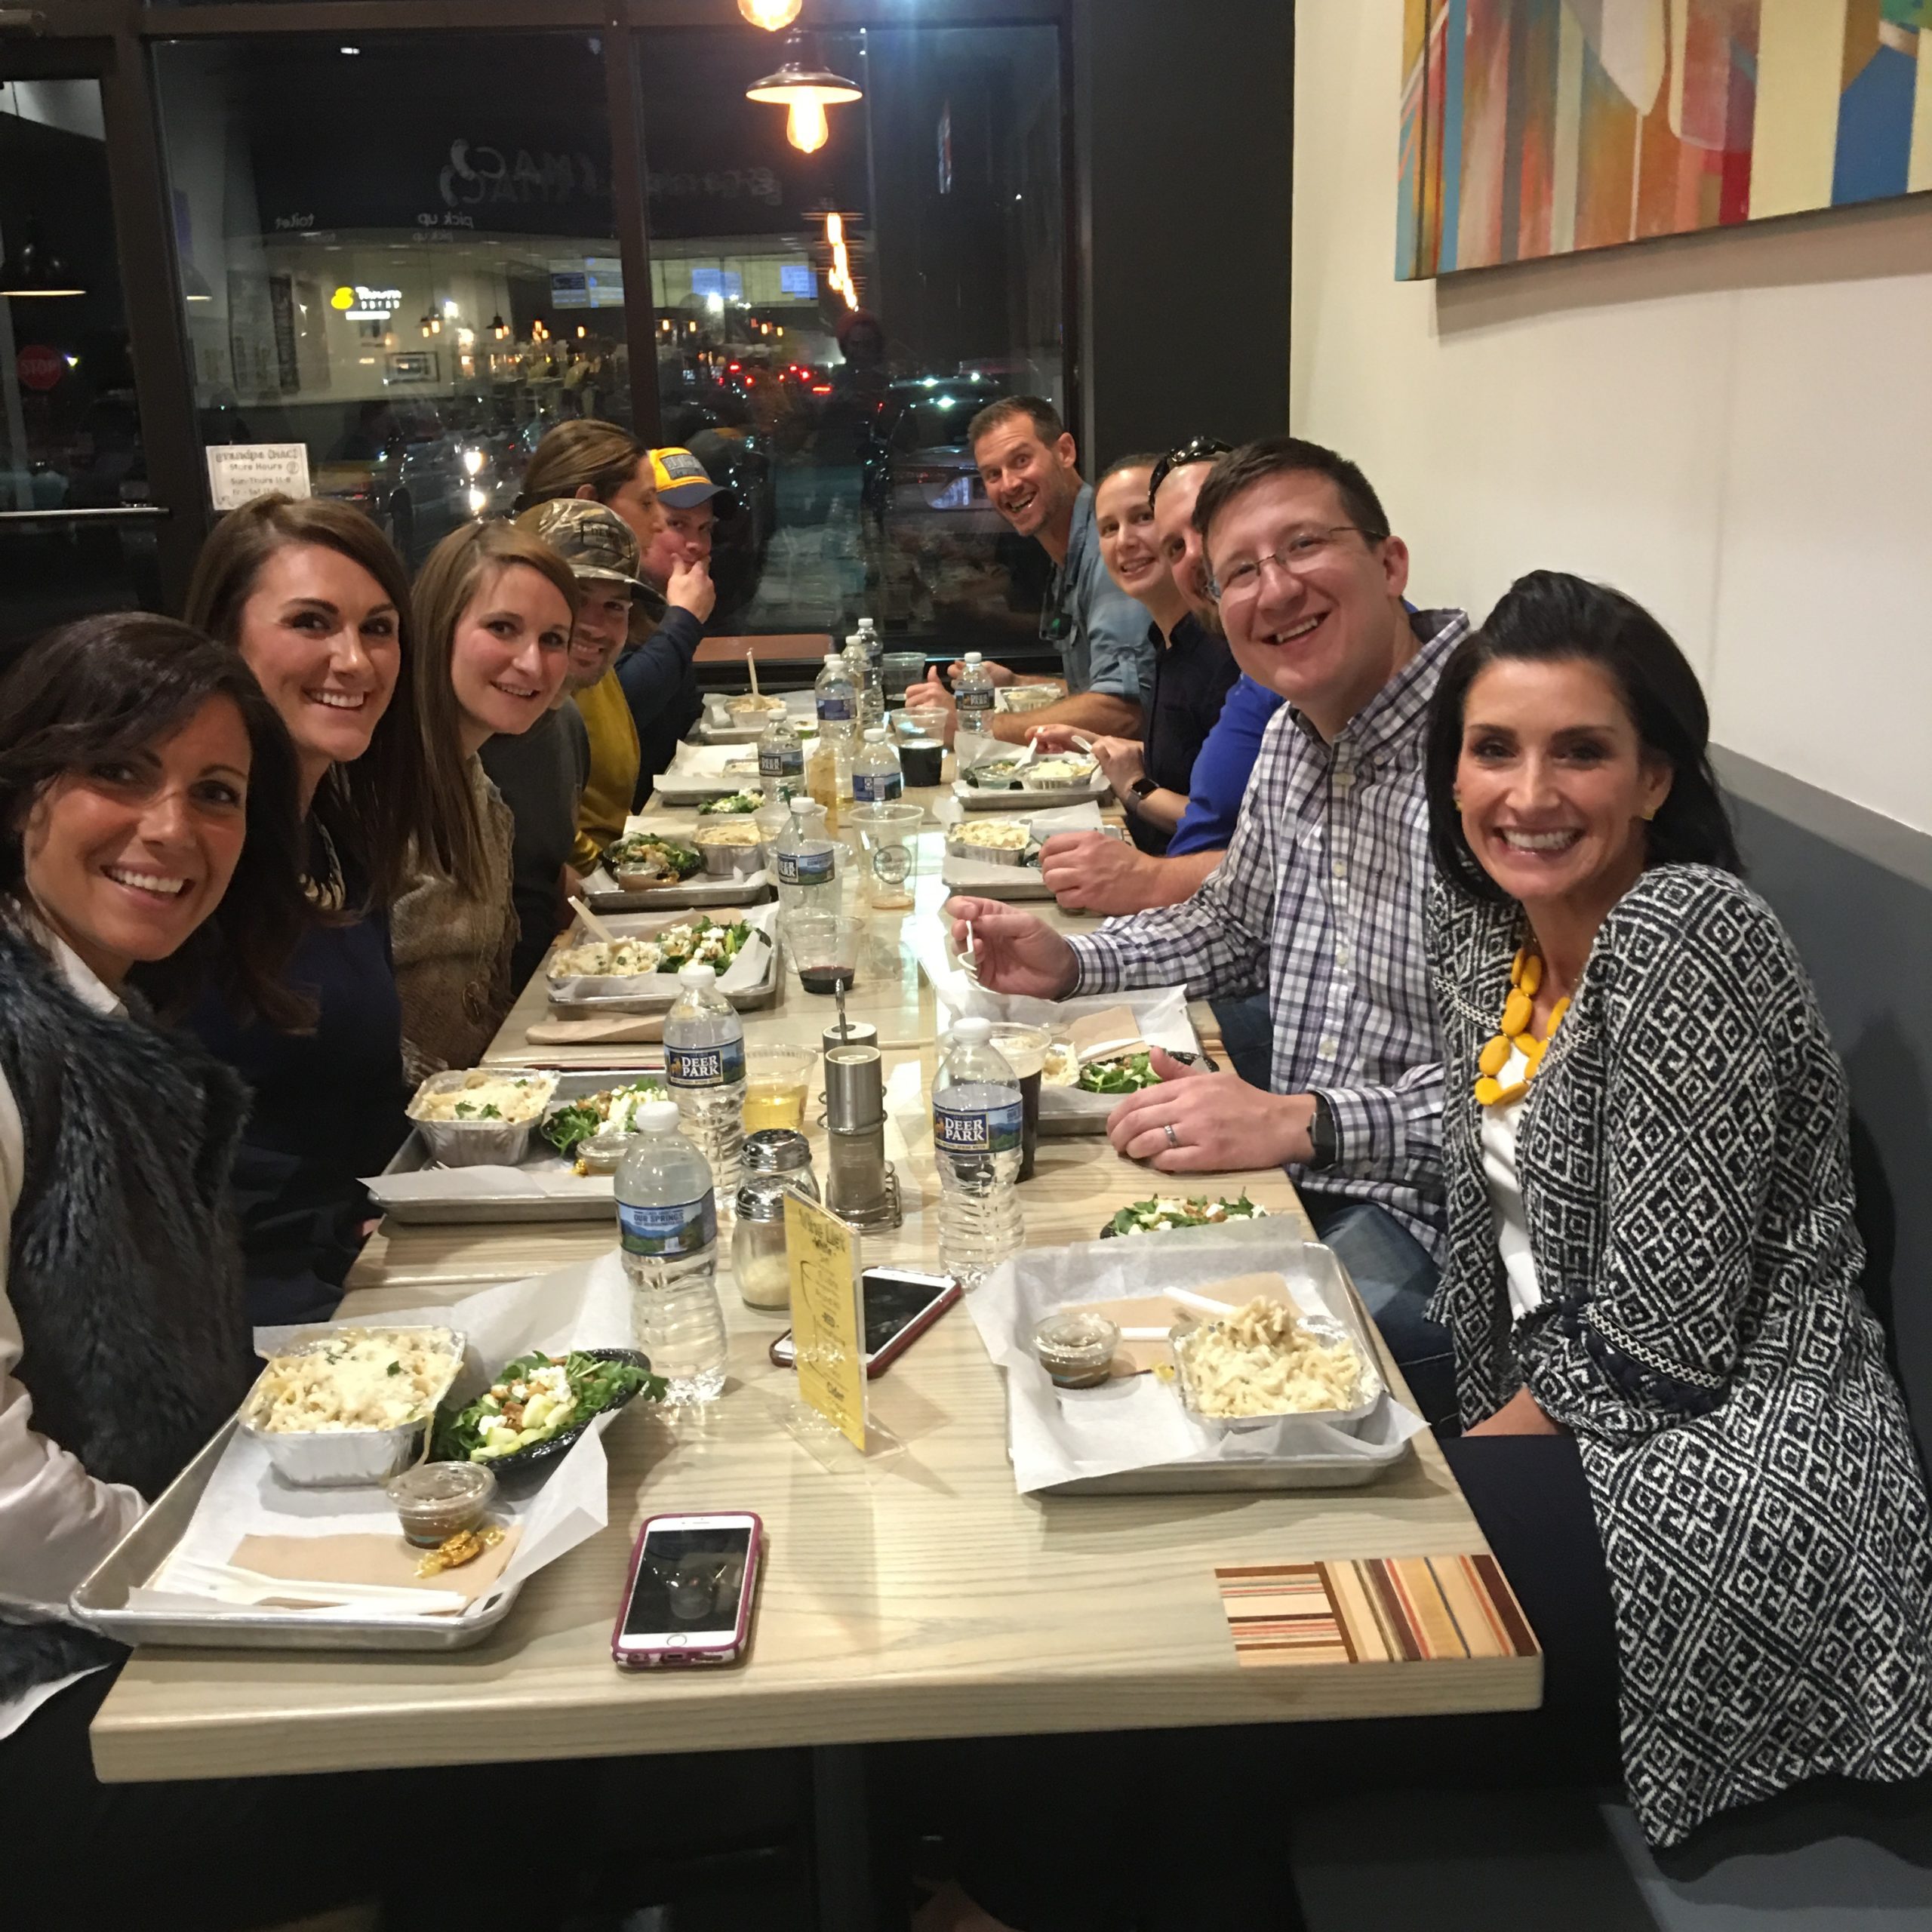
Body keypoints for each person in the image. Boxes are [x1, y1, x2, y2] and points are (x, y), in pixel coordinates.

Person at [1421, 569, 1932, 1847]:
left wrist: (1454, 1467)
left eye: (1581, 752)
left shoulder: (1685, 931)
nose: (1529, 795)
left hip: (1731, 1464)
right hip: (1570, 1404)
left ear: (1654, 778)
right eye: (1495, 749)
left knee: (1321, 1594)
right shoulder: (1491, 938)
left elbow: (1661, 1346)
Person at [947, 436, 1463, 1427]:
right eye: (1239, 574)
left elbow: (1532, 1100)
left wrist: (1299, 1120)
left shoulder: (1486, 761)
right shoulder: (1296, 734)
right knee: (1031, 1283)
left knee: (1102, 1368)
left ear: (1389, 562)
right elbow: (1229, 928)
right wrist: (1072, 964)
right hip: (1304, 1177)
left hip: (1438, 1234)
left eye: (1303, 546)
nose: (1276, 590)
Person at [0, 612, 347, 1929]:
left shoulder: (107, 1019)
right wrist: (218, 1581)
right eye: (119, 771)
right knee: (489, 1752)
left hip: (126, 1601)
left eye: (215, 793)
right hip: (41, 1689)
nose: (171, 828)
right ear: (24, 786)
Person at [184, 492, 488, 1325]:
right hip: (251, 1312)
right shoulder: (185, 857)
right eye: (311, 623)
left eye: (378, 628)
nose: (353, 660)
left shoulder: (336, 838)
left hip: (363, 1258)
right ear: (224, 639)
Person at [392, 521, 577, 1077]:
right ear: (438, 628)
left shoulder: (482, 792)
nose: (532, 664)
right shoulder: (377, 792)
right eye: (502, 628)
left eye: (553, 640)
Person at [905, 397, 1154, 745]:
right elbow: (1097, 689)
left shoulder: (1109, 549)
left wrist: (969, 727)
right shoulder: (1070, 550)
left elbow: (1124, 711)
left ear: (1065, 452)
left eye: (1021, 461)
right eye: (993, 474)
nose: (1009, 484)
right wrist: (1017, 683)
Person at [1035, 451, 1240, 861]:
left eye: (1143, 518)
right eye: (1109, 528)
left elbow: (1228, 824)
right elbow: (1193, 765)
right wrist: (1097, 746)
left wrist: (1135, 787)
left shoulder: (1226, 650)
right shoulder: (1164, 641)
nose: (1125, 541)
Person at [514, 497, 644, 872]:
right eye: (576, 599)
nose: (595, 626)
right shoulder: (485, 729)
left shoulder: (566, 717)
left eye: (614, 606)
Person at [621, 445, 723, 804]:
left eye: (705, 528)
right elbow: (623, 708)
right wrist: (685, 620)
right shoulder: (609, 603)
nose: (697, 545)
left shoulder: (658, 601)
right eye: (677, 524)